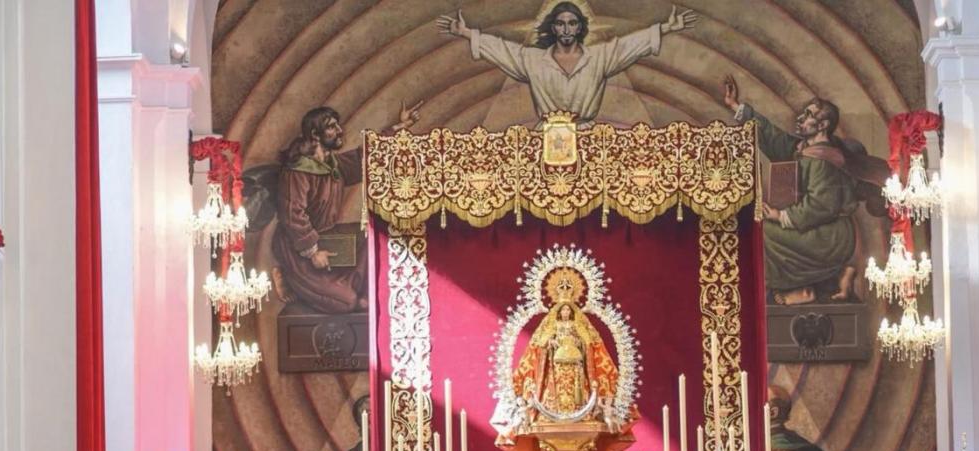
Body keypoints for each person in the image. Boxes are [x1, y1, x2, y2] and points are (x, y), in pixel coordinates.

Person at [722, 74, 889, 306]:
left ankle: (800, 291)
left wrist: (779, 215)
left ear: (823, 125)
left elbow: (820, 206)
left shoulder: (825, 159)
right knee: (757, 225)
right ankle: (802, 287)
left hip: (831, 236)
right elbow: (773, 138)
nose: (801, 118)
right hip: (816, 228)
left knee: (763, 233)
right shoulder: (805, 149)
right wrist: (737, 107)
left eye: (809, 115)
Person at [437, 4, 699, 126]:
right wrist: (468, 34)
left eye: (572, 23)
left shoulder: (599, 56)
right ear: (553, 27)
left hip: (588, 135)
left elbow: (629, 46)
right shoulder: (532, 59)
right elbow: (502, 50)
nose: (566, 29)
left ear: (580, 28)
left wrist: (666, 28)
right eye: (561, 23)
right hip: (544, 140)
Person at [273, 103, 418, 313]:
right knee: (347, 302)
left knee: (375, 236)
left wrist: (400, 127)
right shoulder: (297, 172)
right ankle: (285, 276)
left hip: (328, 235)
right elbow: (292, 215)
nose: (340, 131)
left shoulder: (333, 164)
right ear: (315, 134)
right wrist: (312, 252)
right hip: (297, 248)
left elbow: (366, 157)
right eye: (332, 127)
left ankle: (358, 292)